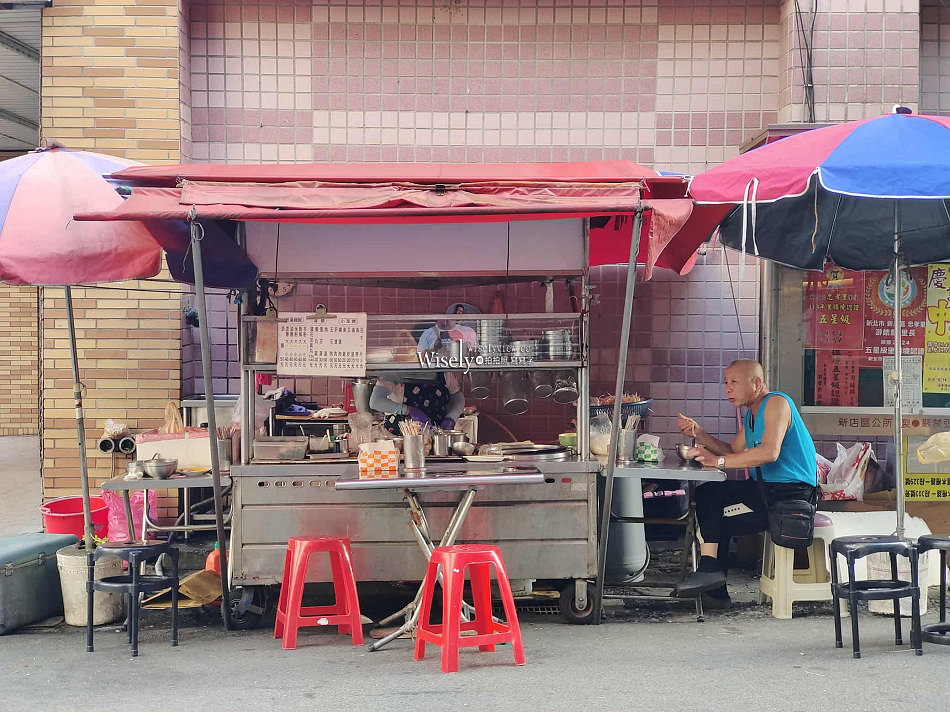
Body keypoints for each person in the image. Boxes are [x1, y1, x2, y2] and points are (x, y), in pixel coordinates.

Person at [674, 359, 818, 605]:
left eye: (734, 382)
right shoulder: (753, 414)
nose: (728, 389)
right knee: (709, 494)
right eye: (726, 383)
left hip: (789, 497)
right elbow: (732, 449)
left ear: (757, 383)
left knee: (716, 513)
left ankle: (713, 585)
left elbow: (768, 452)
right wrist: (699, 433)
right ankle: (712, 581)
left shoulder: (777, 403)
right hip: (764, 489)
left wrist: (718, 462)